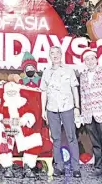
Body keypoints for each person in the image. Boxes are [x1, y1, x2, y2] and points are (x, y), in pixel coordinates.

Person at [40, 46, 81, 178]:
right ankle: (58, 167)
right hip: (52, 109)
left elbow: (75, 89)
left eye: (57, 53)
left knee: (71, 137)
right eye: (52, 53)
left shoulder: (69, 71)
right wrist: (43, 110)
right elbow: (43, 92)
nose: (55, 55)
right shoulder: (46, 72)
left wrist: (77, 107)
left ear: (61, 55)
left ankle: (76, 168)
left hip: (67, 107)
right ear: (49, 56)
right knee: (56, 139)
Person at [80, 49, 102, 179]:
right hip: (89, 114)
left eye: (92, 59)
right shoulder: (83, 76)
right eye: (87, 59)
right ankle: (98, 167)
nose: (89, 61)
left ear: (96, 59)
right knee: (95, 143)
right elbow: (83, 96)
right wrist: (84, 113)